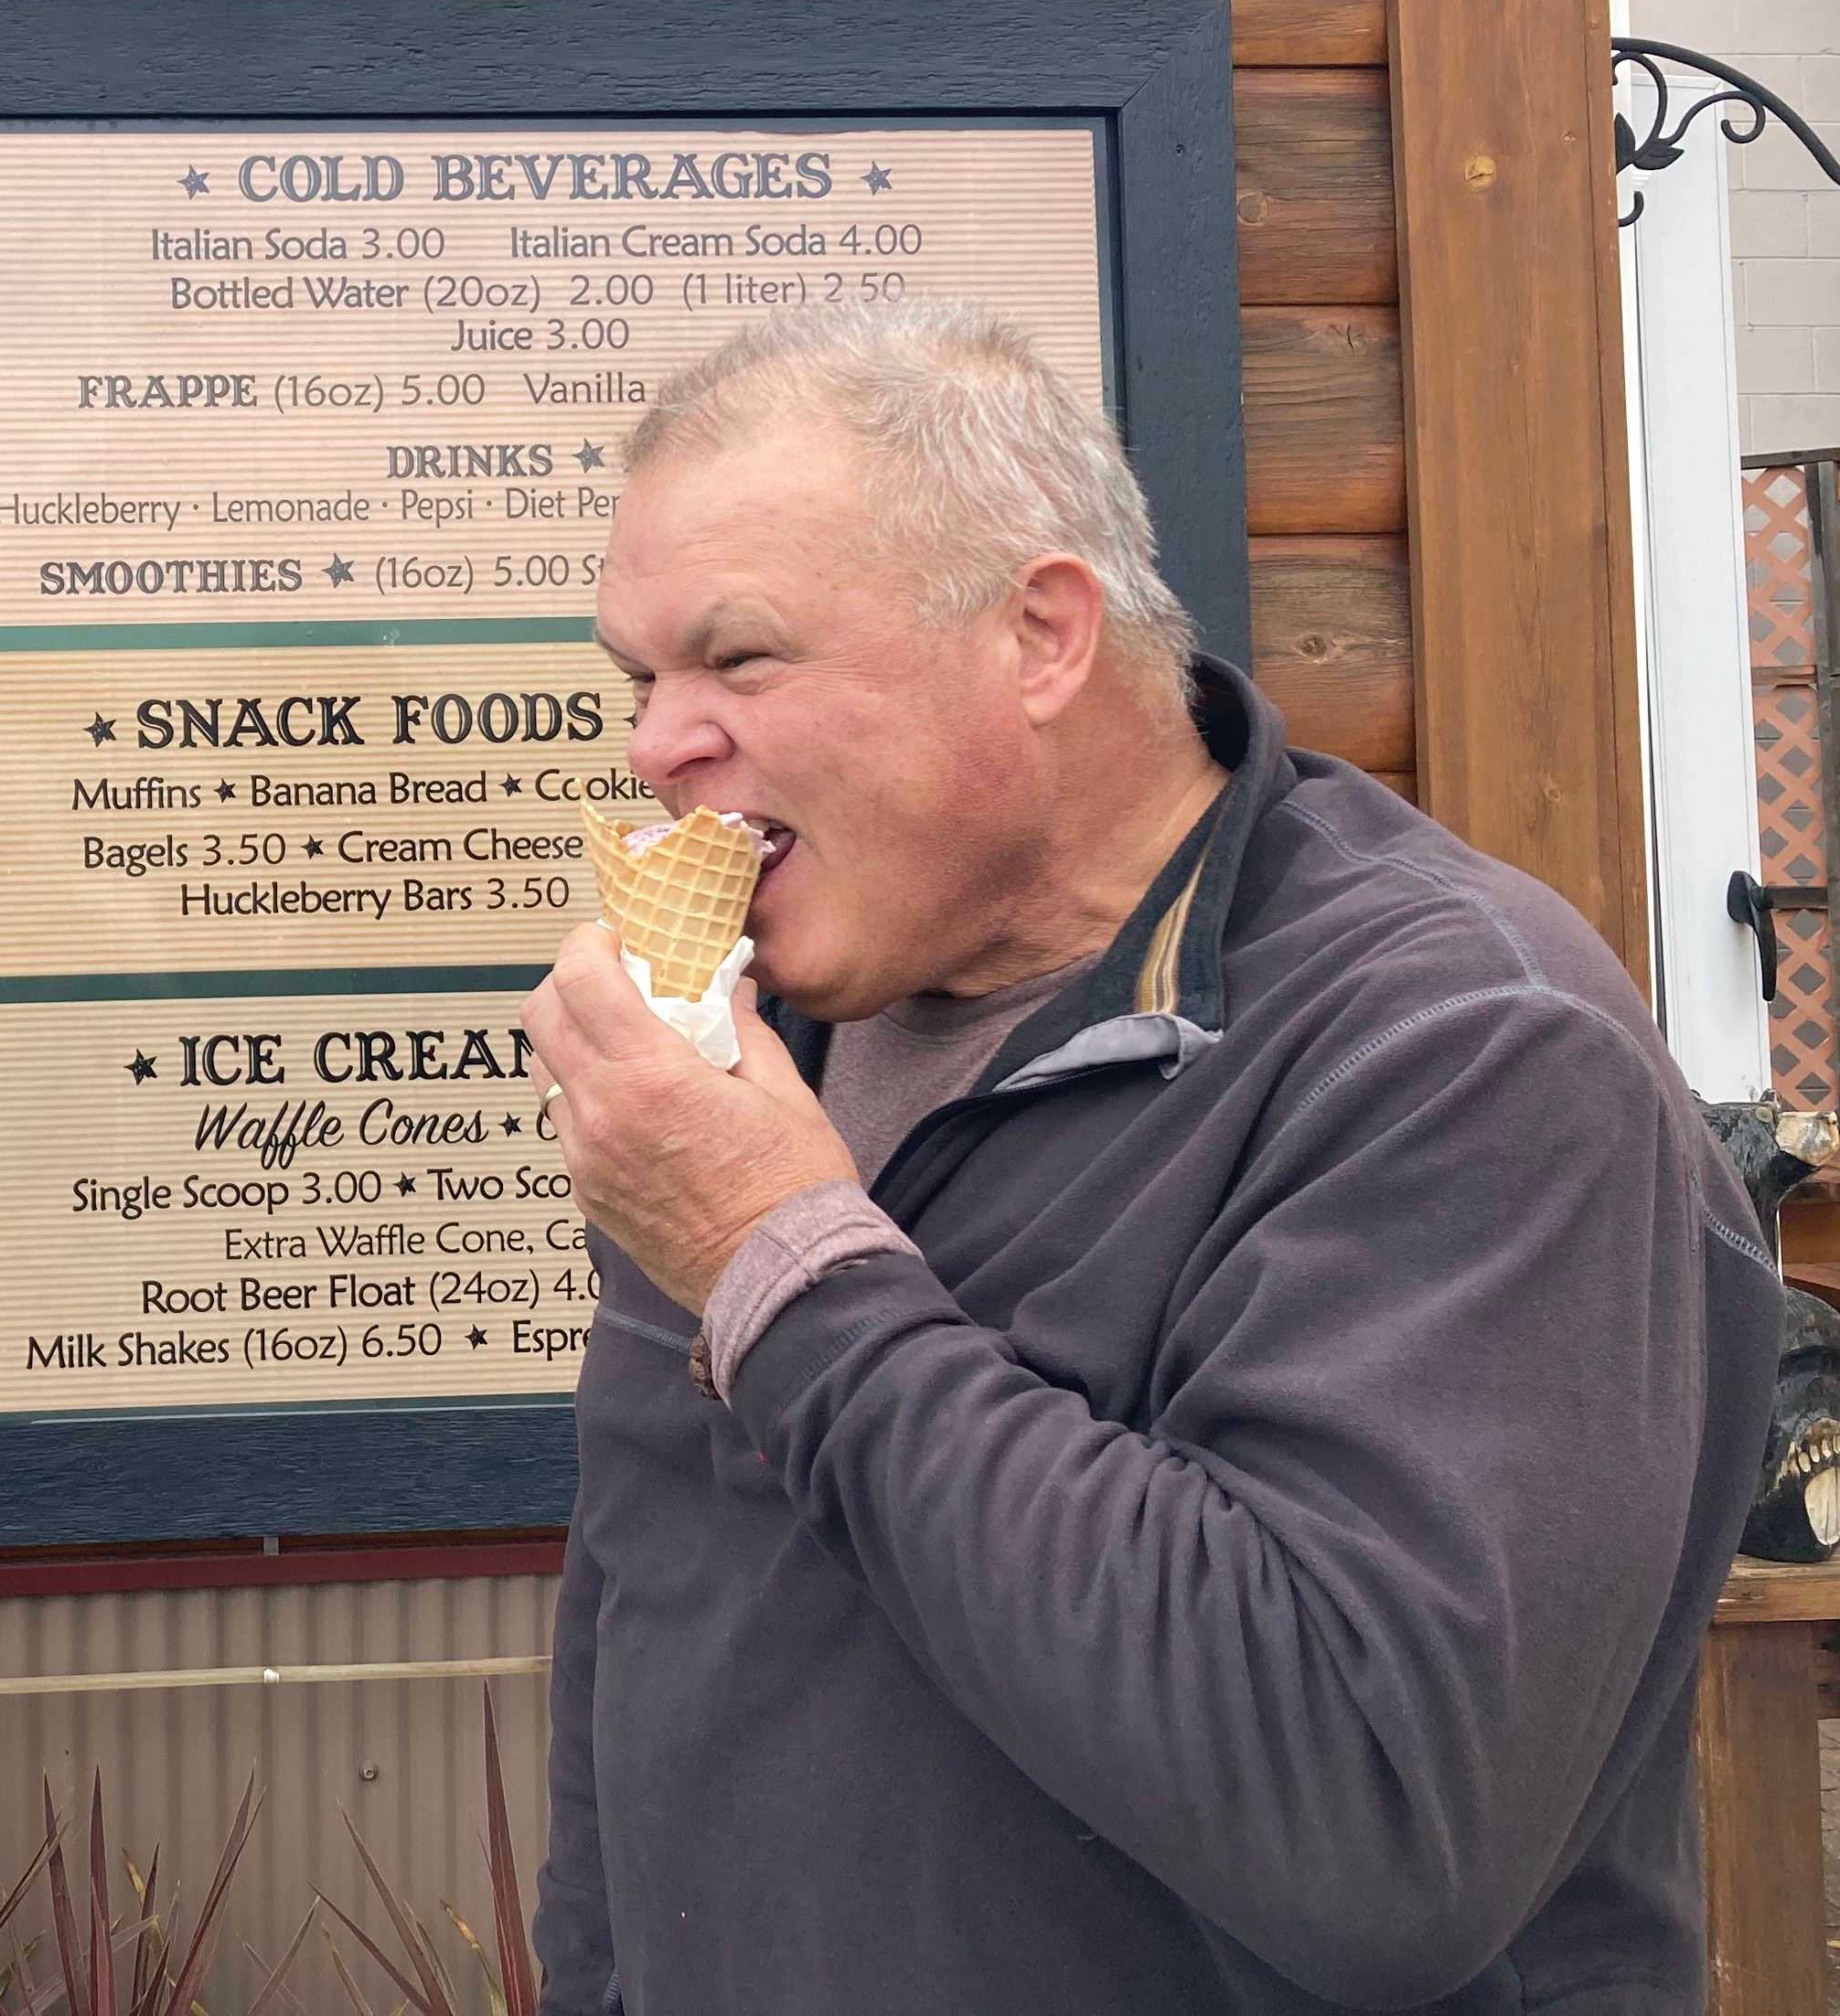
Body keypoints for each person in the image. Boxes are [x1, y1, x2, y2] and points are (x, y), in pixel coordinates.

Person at [524, 302, 1777, 2014]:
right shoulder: (762, 1039)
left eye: (739, 662)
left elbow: (1373, 1815)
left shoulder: (1461, 1045)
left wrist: (777, 1254)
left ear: (1042, 635)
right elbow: (652, 1622)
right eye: (639, 678)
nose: (659, 742)